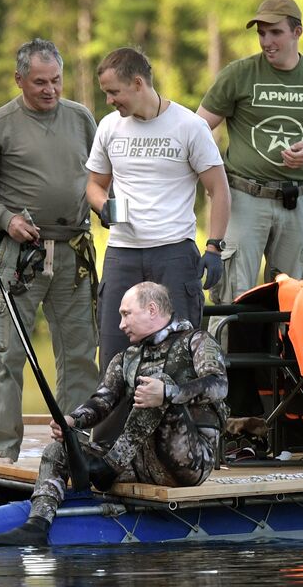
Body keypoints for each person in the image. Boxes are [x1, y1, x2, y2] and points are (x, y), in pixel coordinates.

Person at [0, 282, 228, 545]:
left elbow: (219, 385)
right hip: (139, 463)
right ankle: (37, 524)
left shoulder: (197, 341)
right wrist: (72, 420)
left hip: (189, 463)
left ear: (152, 309)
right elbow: (102, 400)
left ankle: (108, 467)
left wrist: (169, 392)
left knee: (156, 383)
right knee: (58, 450)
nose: (121, 324)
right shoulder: (127, 357)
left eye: (126, 314)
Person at [0, 39, 101, 462]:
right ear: (18, 79)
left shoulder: (81, 118)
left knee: (80, 354)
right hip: (21, 257)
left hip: (75, 252)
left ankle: (76, 448)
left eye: (56, 80)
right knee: (9, 354)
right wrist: (6, 219)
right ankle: (4, 454)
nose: (50, 89)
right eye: (40, 82)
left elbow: (101, 175)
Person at [197, 0, 303, 304]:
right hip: (243, 199)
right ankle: (228, 339)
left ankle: (290, 340)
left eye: (275, 32)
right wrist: (213, 179)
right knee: (234, 296)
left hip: (296, 202)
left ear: (297, 32)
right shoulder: (238, 74)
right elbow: (196, 130)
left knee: (295, 299)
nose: (266, 42)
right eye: (261, 33)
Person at [86, 47, 230, 368]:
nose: (109, 100)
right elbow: (94, 185)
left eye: (114, 92)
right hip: (122, 253)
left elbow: (218, 189)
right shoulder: (109, 127)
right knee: (113, 355)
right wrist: (103, 206)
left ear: (138, 83)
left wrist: (214, 247)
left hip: (174, 254)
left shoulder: (189, 126)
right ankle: (113, 404)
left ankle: (177, 404)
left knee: (178, 357)